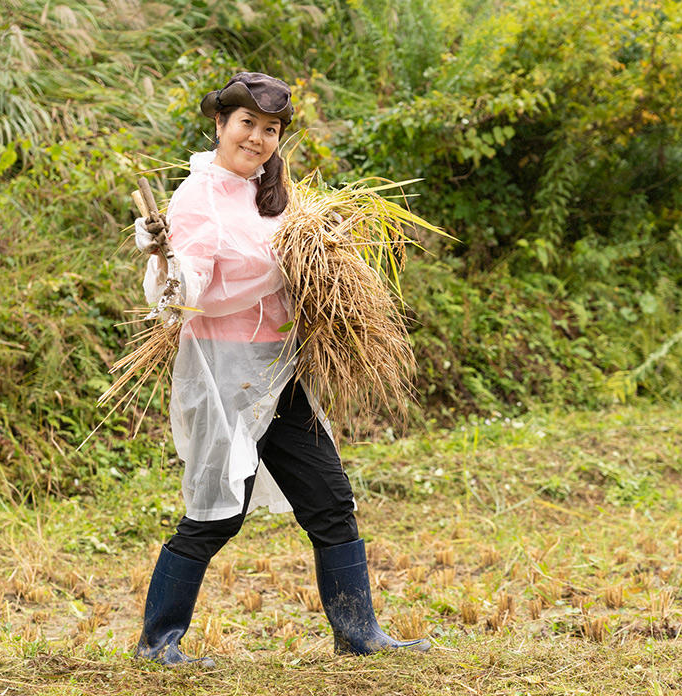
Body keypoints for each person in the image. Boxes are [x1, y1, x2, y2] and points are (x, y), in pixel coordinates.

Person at [132, 72, 429, 667]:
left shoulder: (273, 194)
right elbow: (184, 287)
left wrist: (331, 247)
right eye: (247, 124)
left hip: (278, 373)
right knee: (216, 514)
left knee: (330, 500)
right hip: (224, 375)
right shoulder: (197, 196)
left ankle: (359, 633)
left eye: (270, 130)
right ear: (220, 125)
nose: (258, 139)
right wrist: (165, 260)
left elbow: (296, 258)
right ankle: (158, 642)